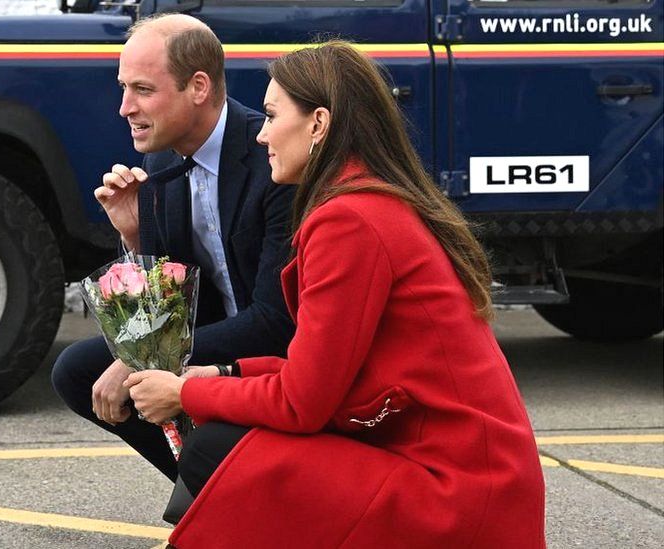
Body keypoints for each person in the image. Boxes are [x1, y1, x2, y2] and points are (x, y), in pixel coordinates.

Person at [125, 41, 547, 548]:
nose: (260, 134)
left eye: (272, 115)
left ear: (318, 124)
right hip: (468, 477)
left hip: (455, 494)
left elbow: (303, 403)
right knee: (227, 441)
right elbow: (325, 372)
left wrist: (185, 392)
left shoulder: (348, 220)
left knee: (218, 447)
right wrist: (225, 373)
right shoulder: (369, 201)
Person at [51, 13, 295, 481]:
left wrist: (145, 363)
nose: (125, 107)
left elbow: (275, 320)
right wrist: (134, 236)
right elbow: (169, 303)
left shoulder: (272, 156)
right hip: (214, 337)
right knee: (76, 371)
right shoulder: (160, 157)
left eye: (142, 90)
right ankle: (209, 495)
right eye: (124, 88)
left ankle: (237, 494)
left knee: (127, 373)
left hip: (279, 350)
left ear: (198, 87)